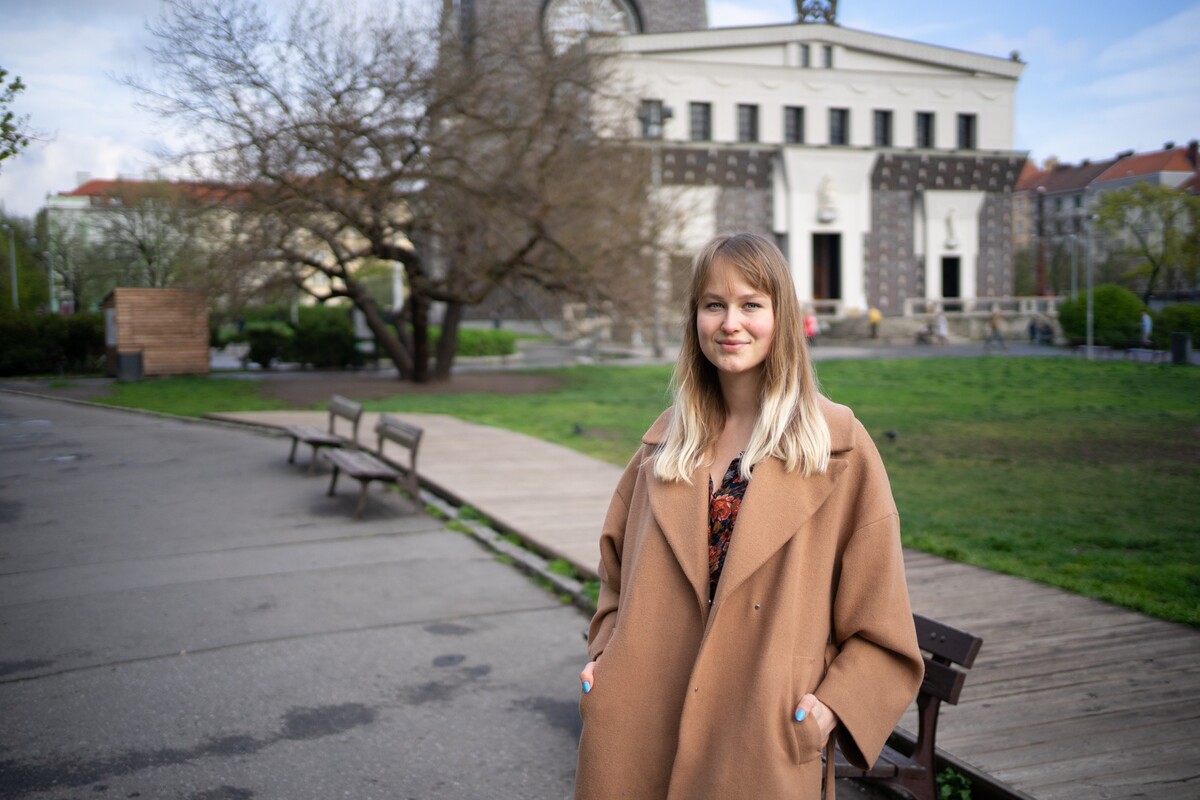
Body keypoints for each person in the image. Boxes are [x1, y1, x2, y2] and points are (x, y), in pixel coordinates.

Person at [574, 233, 924, 800]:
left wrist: (831, 709)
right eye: (714, 304)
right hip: (641, 725)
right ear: (695, 319)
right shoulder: (663, 445)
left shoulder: (838, 448)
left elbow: (883, 624)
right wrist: (604, 660)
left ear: (781, 316)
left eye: (750, 304)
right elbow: (615, 571)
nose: (730, 323)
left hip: (761, 738)